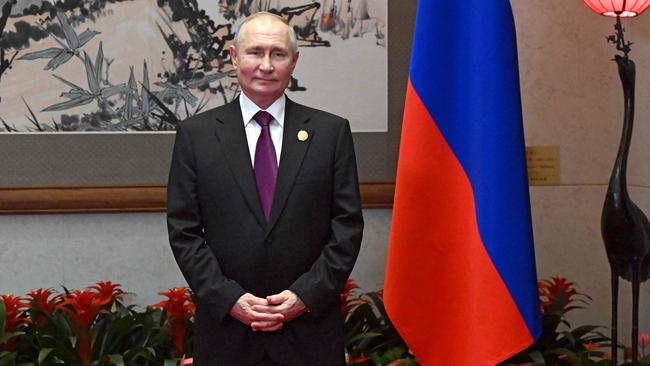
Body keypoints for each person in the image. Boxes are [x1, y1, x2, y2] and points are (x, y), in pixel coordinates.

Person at [166, 12, 364, 366]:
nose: (266, 65)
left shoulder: (330, 133)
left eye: (278, 54)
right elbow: (184, 233)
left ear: (294, 61)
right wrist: (230, 299)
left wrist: (305, 296)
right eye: (255, 52)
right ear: (233, 57)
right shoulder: (196, 136)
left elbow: (346, 228)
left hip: (309, 333)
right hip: (228, 333)